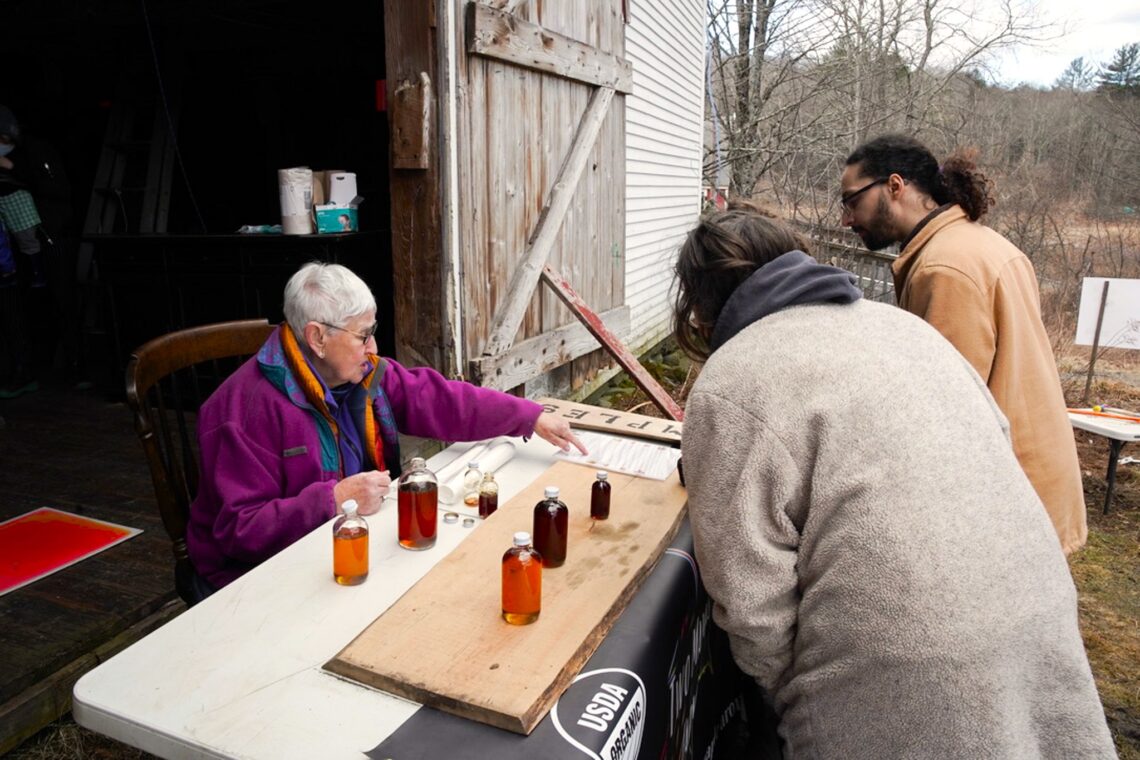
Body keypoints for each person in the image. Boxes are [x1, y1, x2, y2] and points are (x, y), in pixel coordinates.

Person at [673, 207, 1114, 759]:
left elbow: (751, 600)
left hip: (905, 665)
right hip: (1039, 611)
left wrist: (794, 691)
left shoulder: (733, 380)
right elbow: (996, 442)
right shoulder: (906, 328)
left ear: (700, 305)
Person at [187, 262, 587, 594]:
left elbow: (442, 400)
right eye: (363, 336)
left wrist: (528, 415)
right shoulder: (243, 410)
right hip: (253, 580)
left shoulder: (361, 374)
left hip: (346, 544)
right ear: (317, 338)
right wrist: (333, 500)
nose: (374, 349)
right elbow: (238, 529)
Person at [840, 134, 1086, 554]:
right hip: (1038, 480)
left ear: (895, 187)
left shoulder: (944, 268)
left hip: (1008, 502)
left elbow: (946, 416)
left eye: (851, 200)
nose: (846, 219)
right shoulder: (980, 243)